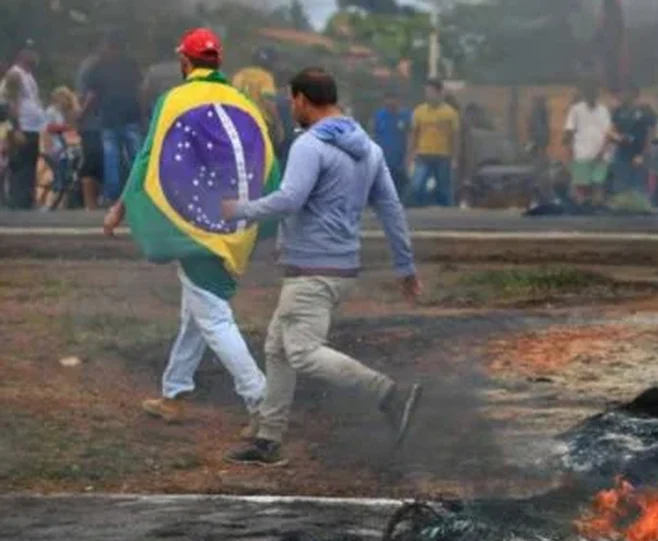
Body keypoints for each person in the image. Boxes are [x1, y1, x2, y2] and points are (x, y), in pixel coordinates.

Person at [221, 68, 422, 467]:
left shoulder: (310, 145)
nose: (289, 107)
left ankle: (389, 394)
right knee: (278, 347)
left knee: (302, 352)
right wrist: (405, 265)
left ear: (300, 100)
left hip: (312, 270)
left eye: (290, 100)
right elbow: (391, 209)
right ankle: (268, 438)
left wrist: (240, 211)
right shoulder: (370, 149)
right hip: (339, 269)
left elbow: (290, 199)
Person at [103, 28, 272, 428]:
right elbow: (269, 160)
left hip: (195, 226)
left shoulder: (174, 99)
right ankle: (174, 393)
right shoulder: (240, 100)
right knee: (195, 314)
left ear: (185, 63)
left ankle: (263, 403)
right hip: (234, 222)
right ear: (219, 62)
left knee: (213, 318)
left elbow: (148, 160)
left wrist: (119, 209)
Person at [81, 33, 143, 203]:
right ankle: (139, 193)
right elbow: (140, 92)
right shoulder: (131, 65)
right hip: (131, 116)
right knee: (136, 157)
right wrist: (143, 114)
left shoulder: (98, 67)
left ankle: (113, 195)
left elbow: (92, 95)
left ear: (107, 46)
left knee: (111, 158)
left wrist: (82, 115)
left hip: (109, 118)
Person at [2, 43, 47, 209]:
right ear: (22, 54)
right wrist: (16, 128)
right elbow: (11, 102)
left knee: (30, 165)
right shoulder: (15, 75)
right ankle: (18, 202)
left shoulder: (28, 75)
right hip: (22, 127)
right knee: (20, 165)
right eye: (31, 52)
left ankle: (27, 200)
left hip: (32, 127)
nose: (35, 56)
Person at [407, 79, 459, 207]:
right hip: (423, 154)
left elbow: (455, 137)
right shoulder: (419, 111)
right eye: (426, 92)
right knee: (417, 185)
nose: (428, 95)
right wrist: (410, 154)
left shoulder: (450, 113)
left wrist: (455, 158)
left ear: (440, 92)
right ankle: (419, 211)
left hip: (443, 155)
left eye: (431, 92)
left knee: (443, 188)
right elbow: (414, 134)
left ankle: (447, 215)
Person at [563, 81, 612, 207]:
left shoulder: (604, 110)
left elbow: (608, 133)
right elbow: (569, 132)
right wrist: (569, 151)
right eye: (589, 93)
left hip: (600, 155)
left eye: (594, 94)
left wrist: (603, 151)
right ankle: (581, 216)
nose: (592, 96)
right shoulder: (576, 110)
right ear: (585, 95)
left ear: (597, 95)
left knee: (598, 185)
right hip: (582, 155)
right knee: (581, 189)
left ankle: (598, 217)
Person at [232, 48, 285, 160]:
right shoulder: (265, 77)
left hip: (238, 120)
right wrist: (278, 123)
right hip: (259, 122)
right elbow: (268, 100)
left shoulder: (240, 74)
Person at [609, 85, 656, 196]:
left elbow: (651, 133)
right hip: (622, 153)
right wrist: (618, 137)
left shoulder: (645, 110)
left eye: (624, 92)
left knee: (638, 188)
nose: (621, 95)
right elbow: (612, 130)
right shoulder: (618, 111)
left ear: (633, 93)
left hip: (639, 153)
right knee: (620, 187)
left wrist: (643, 154)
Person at [40, 87, 79, 208]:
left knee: (65, 176)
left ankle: (59, 203)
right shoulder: (51, 111)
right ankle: (50, 203)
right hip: (54, 149)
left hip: (65, 150)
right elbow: (48, 128)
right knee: (59, 176)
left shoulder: (64, 112)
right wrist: (65, 128)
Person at [76, 48, 104, 209]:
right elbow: (88, 94)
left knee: (94, 161)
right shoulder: (92, 66)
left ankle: (92, 203)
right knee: (92, 162)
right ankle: (90, 203)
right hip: (93, 123)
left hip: (95, 123)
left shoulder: (89, 65)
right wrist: (82, 114)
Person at [372, 90, 411, 197]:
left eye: (393, 99)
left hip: (400, 158)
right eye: (388, 100)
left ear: (398, 101)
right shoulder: (379, 115)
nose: (390, 103)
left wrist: (408, 156)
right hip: (384, 157)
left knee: (400, 186)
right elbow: (375, 135)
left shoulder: (406, 115)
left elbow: (410, 136)